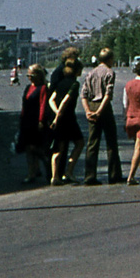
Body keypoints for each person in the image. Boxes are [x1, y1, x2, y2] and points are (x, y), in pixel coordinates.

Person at [80, 48, 123, 185]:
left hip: (92, 105)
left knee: (92, 142)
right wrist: (99, 111)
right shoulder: (109, 73)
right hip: (104, 108)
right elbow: (108, 95)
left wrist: (88, 111)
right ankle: (114, 175)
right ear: (110, 59)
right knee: (111, 141)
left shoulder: (91, 73)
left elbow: (84, 94)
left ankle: (89, 176)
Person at [48, 56, 84, 184]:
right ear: (76, 70)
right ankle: (69, 171)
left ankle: (54, 176)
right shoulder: (75, 84)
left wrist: (56, 112)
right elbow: (65, 101)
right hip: (68, 118)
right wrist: (59, 115)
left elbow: (51, 100)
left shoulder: (61, 83)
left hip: (59, 118)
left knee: (59, 148)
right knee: (79, 143)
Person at [17, 64, 53, 183]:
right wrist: (22, 118)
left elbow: (43, 105)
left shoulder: (42, 88)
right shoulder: (28, 87)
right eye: (28, 75)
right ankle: (31, 172)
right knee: (28, 148)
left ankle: (47, 166)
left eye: (31, 75)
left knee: (35, 148)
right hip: (26, 121)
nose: (29, 77)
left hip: (36, 122)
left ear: (38, 75)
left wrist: (41, 121)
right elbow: (24, 104)